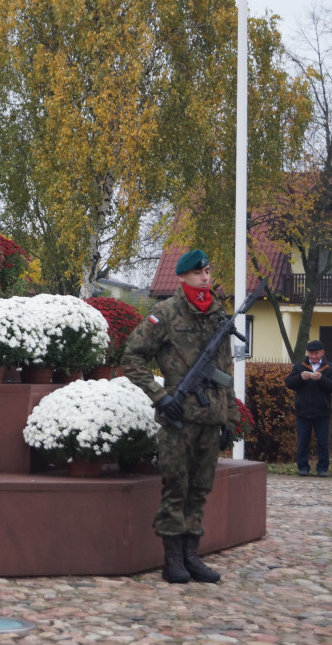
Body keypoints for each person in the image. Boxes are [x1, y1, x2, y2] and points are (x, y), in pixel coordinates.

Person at [121, 249, 236, 584]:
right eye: (199, 272)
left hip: (210, 419)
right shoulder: (165, 312)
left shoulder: (217, 316)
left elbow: (225, 371)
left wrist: (228, 418)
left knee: (200, 489)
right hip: (178, 418)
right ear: (183, 276)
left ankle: (191, 556)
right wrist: (160, 396)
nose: (205, 276)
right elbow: (132, 357)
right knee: (176, 487)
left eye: (208, 271)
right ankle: (172, 560)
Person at [284, 340, 332, 477]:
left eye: (316, 353)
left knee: (323, 442)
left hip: (322, 411)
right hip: (303, 411)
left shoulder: (329, 367)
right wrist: (300, 377)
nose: (313, 356)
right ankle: (303, 467)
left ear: (322, 353)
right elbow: (289, 383)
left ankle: (322, 468)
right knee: (303, 441)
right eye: (311, 353)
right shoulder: (300, 366)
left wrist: (322, 379)